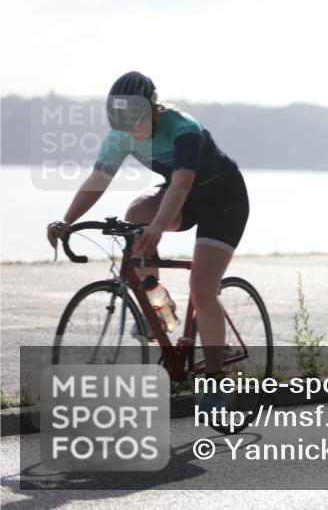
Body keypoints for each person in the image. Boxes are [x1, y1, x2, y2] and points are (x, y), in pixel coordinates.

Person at [46, 71, 249, 411]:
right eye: (123, 123)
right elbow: (98, 179)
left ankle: (216, 382)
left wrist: (157, 227)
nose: (132, 131)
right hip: (181, 196)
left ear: (154, 110)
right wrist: (67, 221)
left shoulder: (184, 129)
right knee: (136, 216)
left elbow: (181, 185)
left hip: (223, 202)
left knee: (202, 288)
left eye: (137, 122)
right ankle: (159, 305)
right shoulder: (120, 136)